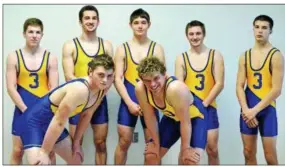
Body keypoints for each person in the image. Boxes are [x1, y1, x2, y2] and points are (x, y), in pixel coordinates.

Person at [18, 55, 114, 165]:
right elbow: (59, 121)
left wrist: (77, 143)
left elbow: (87, 114)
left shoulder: (104, 87)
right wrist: (44, 151)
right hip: (33, 122)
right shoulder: (80, 90)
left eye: (109, 75)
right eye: (100, 75)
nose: (105, 80)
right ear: (90, 72)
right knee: (40, 163)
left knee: (76, 160)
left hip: (53, 122)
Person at [62, 5, 113, 165]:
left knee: (101, 143)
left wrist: (97, 98)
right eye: (87, 18)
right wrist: (85, 97)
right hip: (77, 101)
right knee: (74, 145)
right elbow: (69, 76)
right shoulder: (70, 45)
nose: (90, 21)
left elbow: (110, 76)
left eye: (93, 18)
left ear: (98, 21)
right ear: (80, 21)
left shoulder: (106, 46)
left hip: (99, 99)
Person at [113, 8, 165, 164]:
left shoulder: (156, 48)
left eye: (143, 22)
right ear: (130, 25)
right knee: (124, 141)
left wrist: (152, 103)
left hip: (151, 101)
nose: (140, 26)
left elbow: (161, 79)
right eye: (136, 23)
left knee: (153, 144)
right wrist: (129, 103)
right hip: (129, 100)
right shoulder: (123, 48)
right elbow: (117, 78)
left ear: (149, 24)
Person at [135, 57, 207, 165]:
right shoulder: (141, 89)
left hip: (194, 119)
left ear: (164, 74)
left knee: (188, 160)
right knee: (151, 156)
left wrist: (185, 149)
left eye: (156, 78)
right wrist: (155, 143)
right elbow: (150, 117)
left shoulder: (175, 88)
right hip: (171, 118)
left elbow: (185, 121)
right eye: (147, 81)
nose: (153, 84)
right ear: (142, 79)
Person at [6, 18, 58, 165]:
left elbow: (54, 89)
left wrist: (45, 110)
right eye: (30, 32)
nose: (34, 35)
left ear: (42, 35)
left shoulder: (51, 57)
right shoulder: (13, 56)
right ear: (24, 34)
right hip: (22, 108)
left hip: (44, 110)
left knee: (49, 149)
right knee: (18, 150)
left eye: (38, 32)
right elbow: (11, 87)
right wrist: (25, 109)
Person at [236, 15, 284, 165]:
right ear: (253, 29)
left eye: (264, 28)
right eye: (257, 27)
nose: (260, 31)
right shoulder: (245, 55)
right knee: (248, 152)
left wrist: (253, 111)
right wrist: (246, 110)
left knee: (270, 156)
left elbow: (276, 90)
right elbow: (239, 85)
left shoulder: (276, 55)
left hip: (266, 109)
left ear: (270, 31)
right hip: (247, 109)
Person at [175, 20, 224, 165]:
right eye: (191, 34)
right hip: (189, 108)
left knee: (212, 149)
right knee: (187, 149)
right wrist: (191, 107)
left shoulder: (215, 55)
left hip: (208, 107)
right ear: (187, 36)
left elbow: (219, 83)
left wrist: (204, 104)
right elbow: (179, 86)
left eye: (198, 33)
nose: (195, 37)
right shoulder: (181, 58)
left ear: (204, 35)